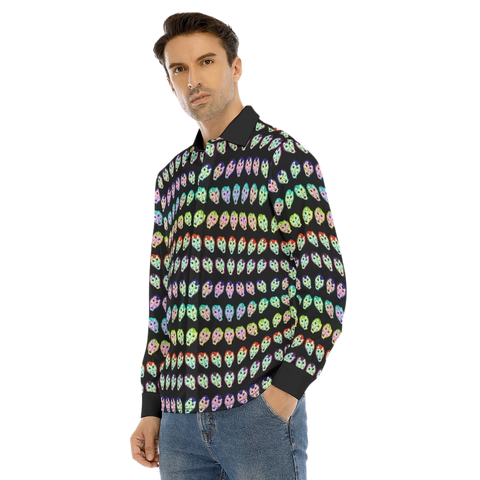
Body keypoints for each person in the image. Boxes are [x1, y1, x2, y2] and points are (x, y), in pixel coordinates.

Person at [127, 9, 348, 480]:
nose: (193, 80)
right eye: (179, 69)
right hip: (178, 423)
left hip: (257, 412)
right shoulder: (170, 178)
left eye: (206, 62)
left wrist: (284, 393)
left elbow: (327, 287)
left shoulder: (283, 158)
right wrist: (150, 406)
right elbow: (160, 302)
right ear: (168, 80)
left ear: (237, 67)